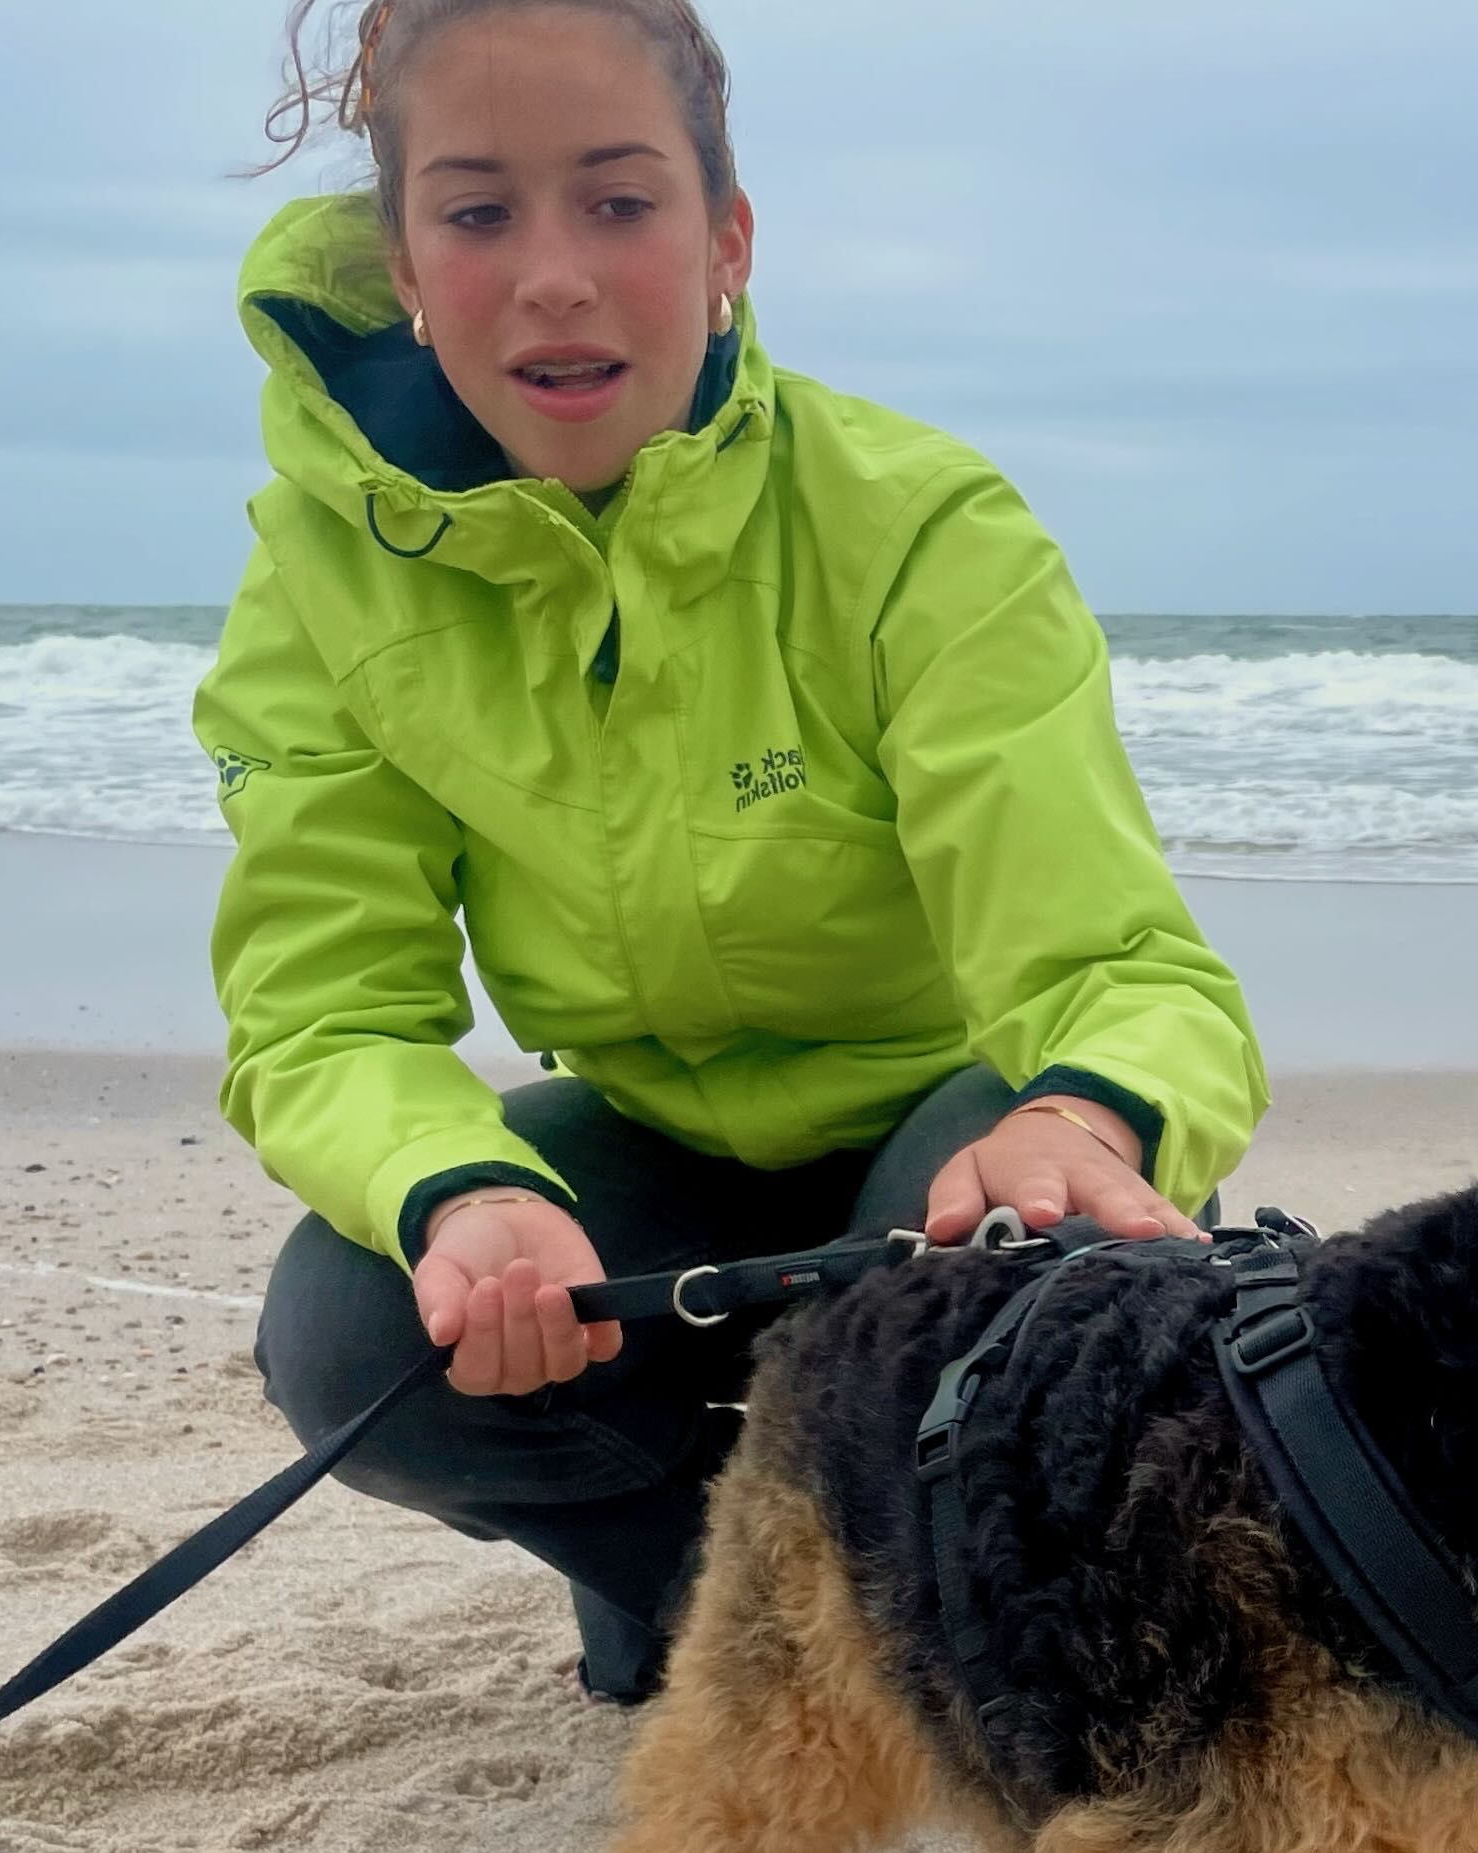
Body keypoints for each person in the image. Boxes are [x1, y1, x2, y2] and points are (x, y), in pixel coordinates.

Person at [201, 0, 1266, 1698]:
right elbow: (325, 1018)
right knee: (350, 1325)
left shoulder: (922, 526)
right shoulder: (322, 583)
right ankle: (734, 1607)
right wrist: (461, 1191)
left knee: (1054, 1265)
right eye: (478, 212)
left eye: (619, 202)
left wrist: (1082, 1110)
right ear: (404, 260)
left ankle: (955, 1601)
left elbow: (1124, 971)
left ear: (728, 242)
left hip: (944, 1134)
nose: (554, 275)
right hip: (659, 1144)